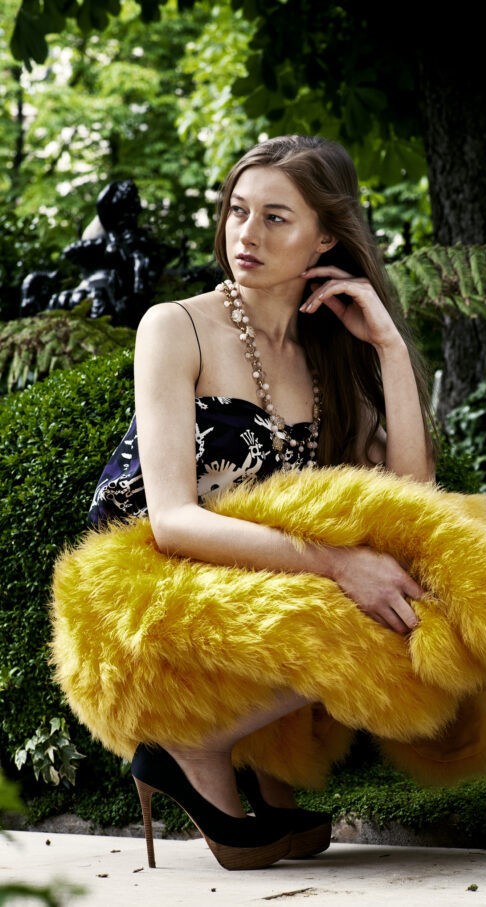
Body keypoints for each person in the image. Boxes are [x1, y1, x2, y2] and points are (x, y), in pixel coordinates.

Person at [86, 134, 436, 869]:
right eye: (238, 211)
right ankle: (191, 742)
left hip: (255, 573)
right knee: (365, 597)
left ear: (326, 237)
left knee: (425, 595)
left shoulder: (330, 350)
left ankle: (256, 755)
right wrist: (339, 563)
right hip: (148, 581)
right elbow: (173, 519)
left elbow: (413, 503)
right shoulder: (175, 325)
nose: (245, 235)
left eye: (275, 218)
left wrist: (389, 349)